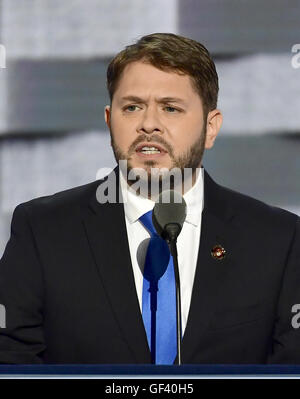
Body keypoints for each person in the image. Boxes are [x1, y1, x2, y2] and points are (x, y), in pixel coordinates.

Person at [0, 32, 299, 365]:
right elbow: (11, 358)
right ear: (110, 121)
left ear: (210, 128)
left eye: (170, 108)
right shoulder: (44, 231)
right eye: (132, 107)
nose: (149, 125)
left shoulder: (277, 239)